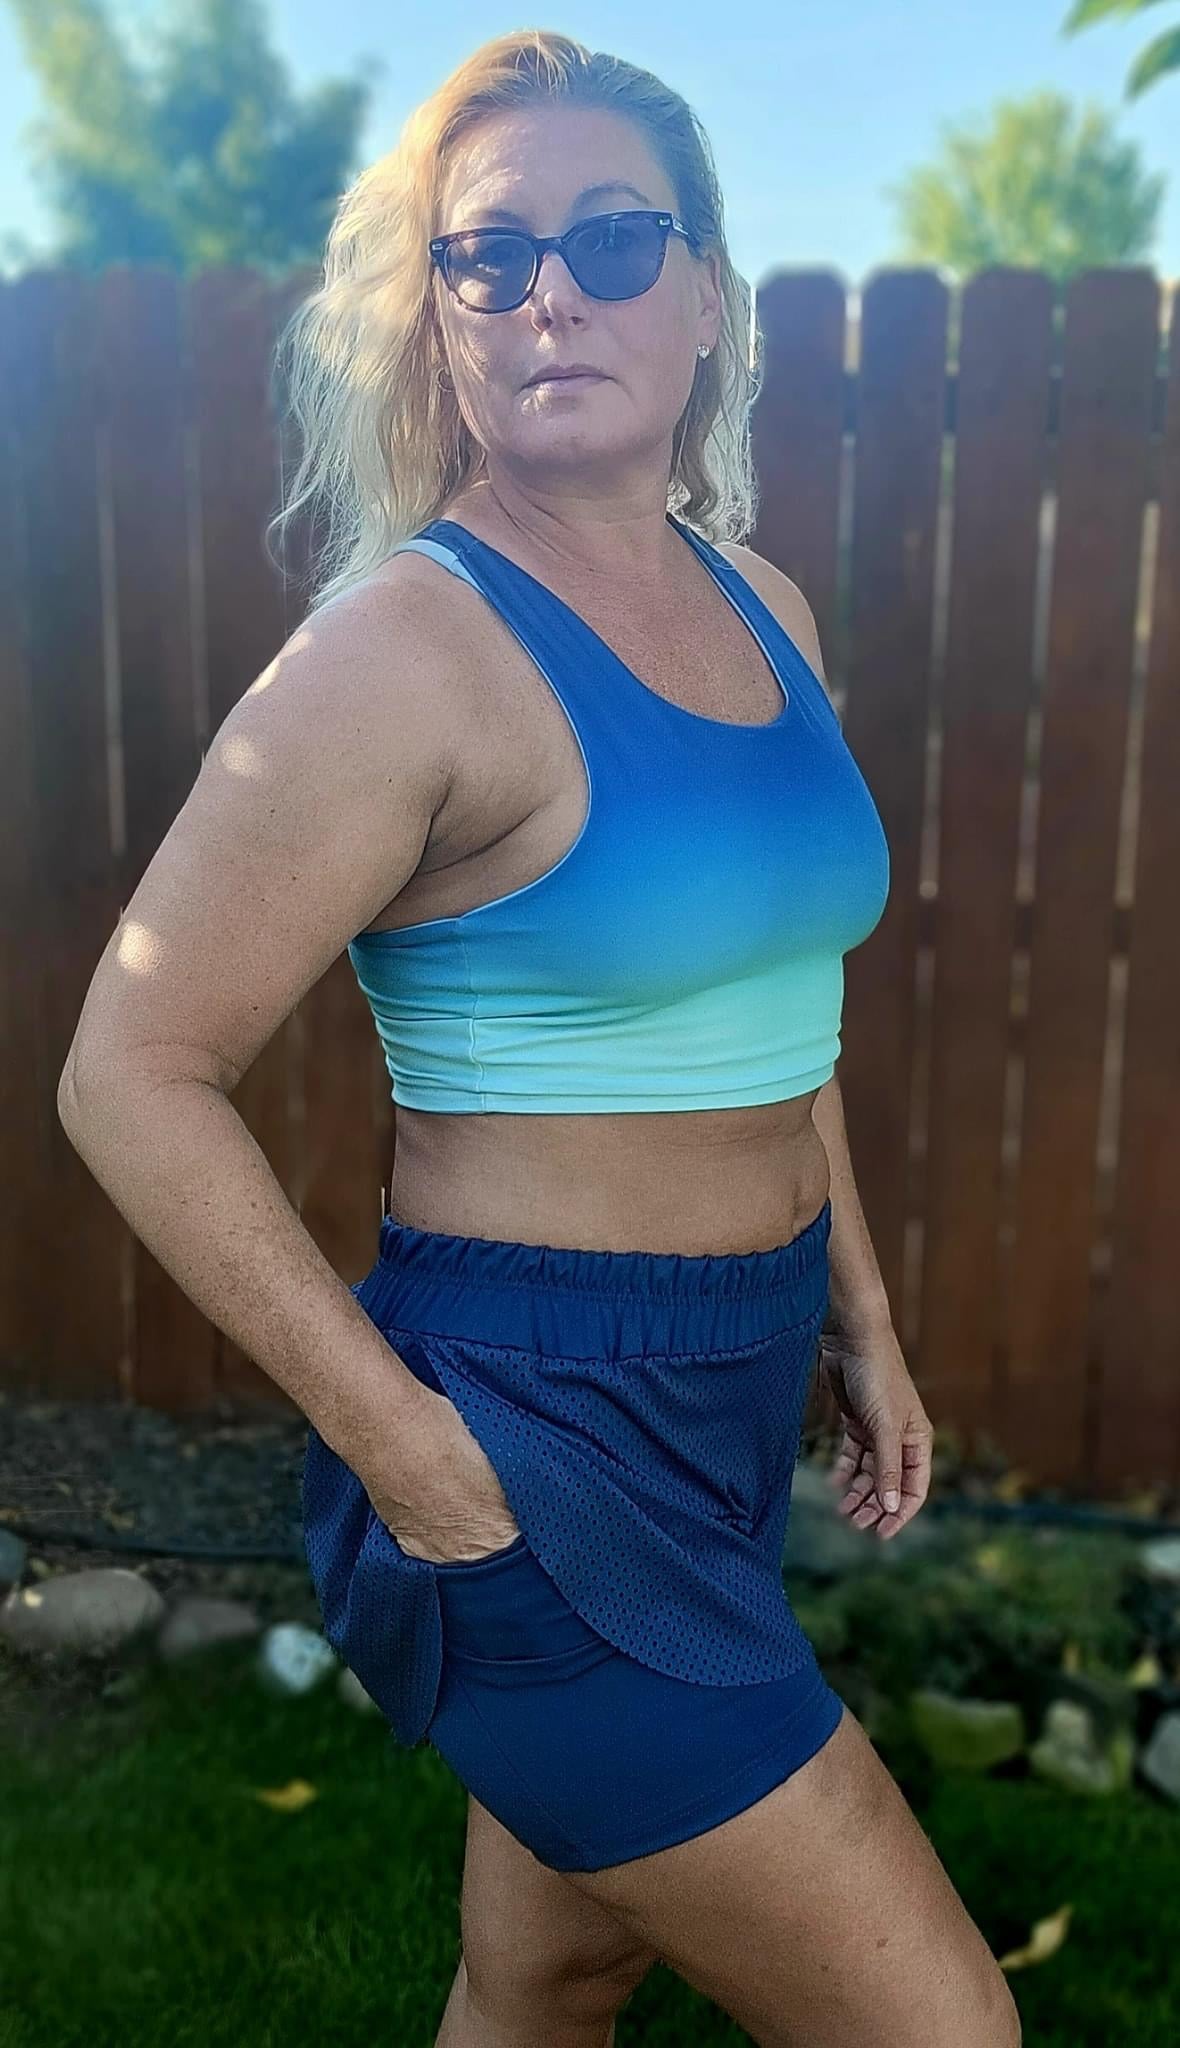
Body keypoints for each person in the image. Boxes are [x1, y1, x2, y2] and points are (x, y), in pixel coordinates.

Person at [57, 28, 1021, 2048]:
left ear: (704, 295)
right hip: (528, 1428)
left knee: (550, 1970)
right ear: (441, 318)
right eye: (489, 256)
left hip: (731, 1381)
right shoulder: (401, 653)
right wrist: (412, 1458)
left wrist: (857, 1315)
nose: (550, 292)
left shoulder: (763, 609)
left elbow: (774, 1013)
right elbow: (127, 1074)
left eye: (611, 240)